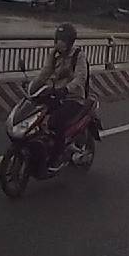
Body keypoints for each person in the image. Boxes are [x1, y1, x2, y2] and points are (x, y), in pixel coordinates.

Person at [29, 23, 90, 164]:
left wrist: (67, 89)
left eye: (63, 40)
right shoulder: (54, 54)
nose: (59, 43)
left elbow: (81, 78)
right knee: (36, 117)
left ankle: (57, 154)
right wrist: (32, 88)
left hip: (73, 98)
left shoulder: (78, 55)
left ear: (70, 42)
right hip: (55, 94)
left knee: (55, 120)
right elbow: (44, 73)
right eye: (58, 39)